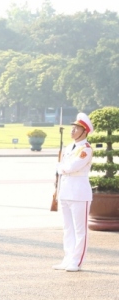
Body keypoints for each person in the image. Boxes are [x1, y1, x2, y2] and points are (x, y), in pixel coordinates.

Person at [54, 113, 94, 272]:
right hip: (65, 191)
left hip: (79, 193)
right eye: (72, 128)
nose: (72, 131)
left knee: (80, 230)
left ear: (84, 131)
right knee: (68, 228)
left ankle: (76, 261)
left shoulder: (86, 149)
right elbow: (63, 167)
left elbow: (70, 167)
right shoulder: (69, 147)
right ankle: (68, 258)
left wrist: (61, 167)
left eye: (76, 128)